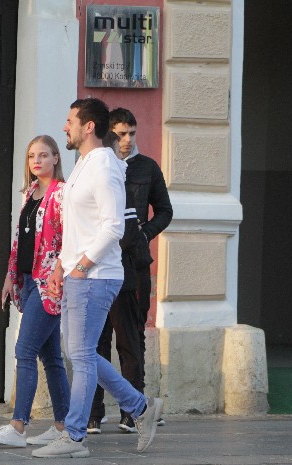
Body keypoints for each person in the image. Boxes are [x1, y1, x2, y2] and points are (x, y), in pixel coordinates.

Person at [32, 98, 163, 459]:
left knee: (81, 355)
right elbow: (79, 227)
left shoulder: (104, 166)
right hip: (80, 274)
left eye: (70, 121)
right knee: (81, 353)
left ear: (88, 126)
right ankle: (141, 407)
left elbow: (113, 227)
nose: (65, 127)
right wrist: (62, 266)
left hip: (96, 276)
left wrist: (81, 266)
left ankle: (75, 436)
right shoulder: (84, 164)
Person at [88, 108, 174, 434]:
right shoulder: (98, 167)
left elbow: (164, 211)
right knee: (96, 339)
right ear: (109, 134)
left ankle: (132, 412)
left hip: (134, 265)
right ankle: (93, 413)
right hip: (100, 263)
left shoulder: (147, 167)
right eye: (121, 134)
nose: (127, 140)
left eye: (132, 133)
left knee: (132, 338)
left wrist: (144, 234)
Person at [0, 135, 72, 447]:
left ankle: (18, 426)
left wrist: (59, 271)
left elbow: (71, 240)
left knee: (24, 350)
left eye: (44, 155)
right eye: (32, 155)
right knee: (51, 357)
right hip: (27, 280)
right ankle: (63, 426)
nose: (37, 160)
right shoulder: (31, 193)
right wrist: (10, 276)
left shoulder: (62, 194)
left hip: (48, 285)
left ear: (56, 158)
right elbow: (21, 241)